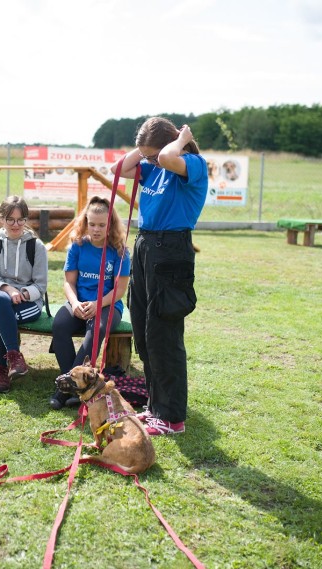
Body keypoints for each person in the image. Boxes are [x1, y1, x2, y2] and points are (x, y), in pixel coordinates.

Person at [111, 117, 208, 436]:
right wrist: (142, 151)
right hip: (145, 246)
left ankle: (172, 417)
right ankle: (155, 406)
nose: (150, 161)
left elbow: (167, 158)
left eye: (152, 154)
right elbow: (118, 169)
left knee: (164, 335)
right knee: (143, 330)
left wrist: (180, 140)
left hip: (170, 250)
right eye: (147, 156)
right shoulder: (152, 164)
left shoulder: (192, 163)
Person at [49, 196, 130, 409]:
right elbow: (69, 282)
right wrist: (75, 303)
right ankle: (78, 386)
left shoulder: (120, 250)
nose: (96, 229)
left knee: (96, 330)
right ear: (85, 222)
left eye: (101, 225)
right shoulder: (77, 245)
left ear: (110, 224)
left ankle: (63, 390)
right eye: (92, 224)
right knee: (59, 325)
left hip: (107, 306)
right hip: (80, 303)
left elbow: (120, 290)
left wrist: (97, 304)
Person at [0, 196, 49, 393]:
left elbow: (41, 285)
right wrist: (9, 289)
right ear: (1, 219)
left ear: (26, 220)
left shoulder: (36, 247)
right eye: (10, 219)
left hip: (28, 304)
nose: (16, 224)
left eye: (21, 219)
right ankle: (14, 356)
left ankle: (0, 370)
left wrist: (24, 293)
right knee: (1, 302)